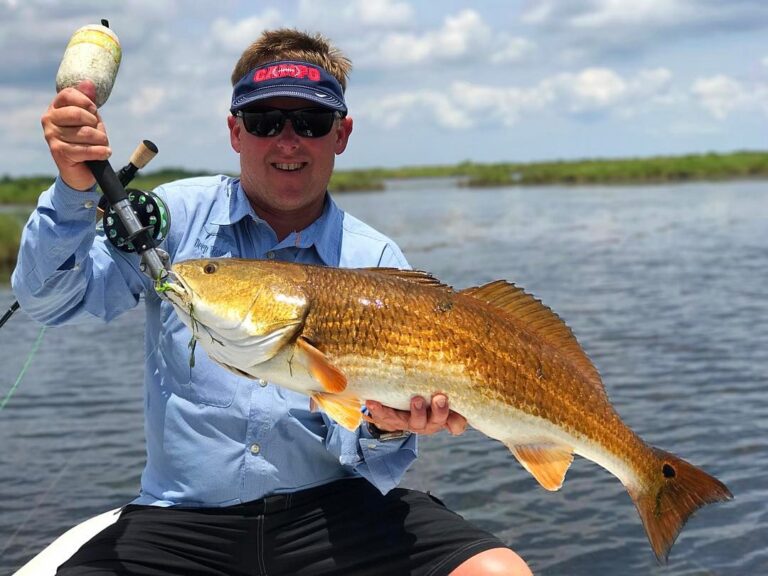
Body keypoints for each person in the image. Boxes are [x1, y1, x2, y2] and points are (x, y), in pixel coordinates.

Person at [13, 28, 532, 576]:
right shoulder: (175, 217)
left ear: (342, 134)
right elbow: (48, 300)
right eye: (264, 122)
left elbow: (362, 447)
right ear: (236, 132)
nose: (287, 141)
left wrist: (387, 426)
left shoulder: (377, 261)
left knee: (496, 571)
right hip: (182, 520)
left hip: (332, 512)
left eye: (310, 122)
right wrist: (73, 192)